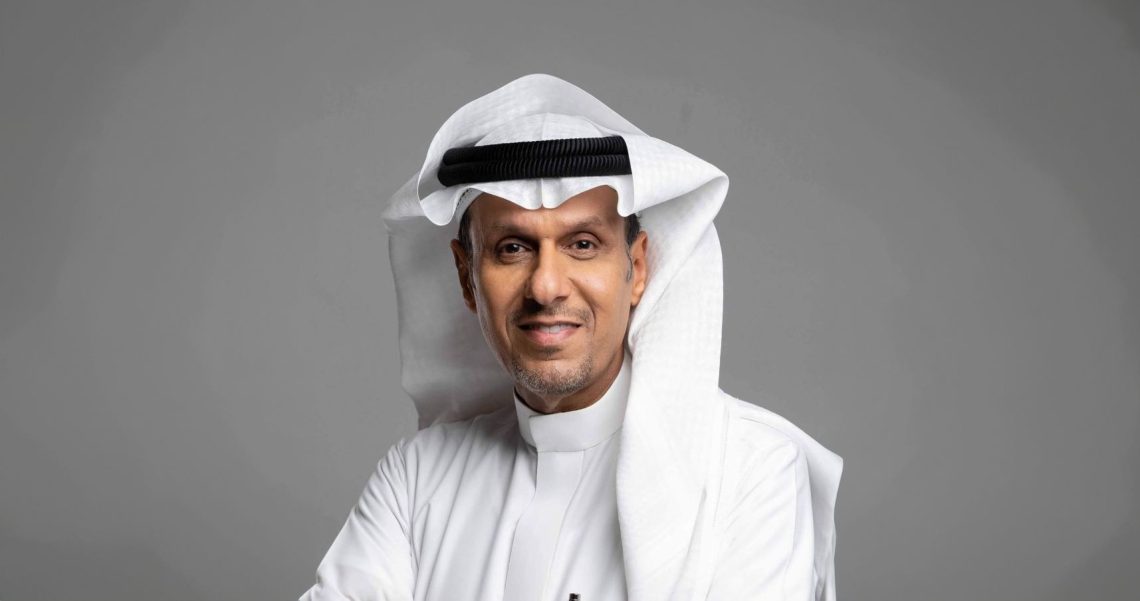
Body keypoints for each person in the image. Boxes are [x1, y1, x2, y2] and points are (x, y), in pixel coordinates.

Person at [300, 74, 842, 601]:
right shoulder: (417, 475)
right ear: (467, 277)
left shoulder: (750, 468)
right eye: (513, 248)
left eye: (582, 245)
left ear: (637, 268)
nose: (546, 286)